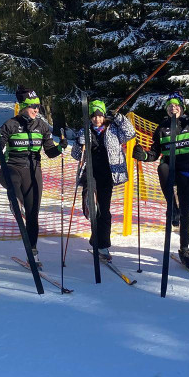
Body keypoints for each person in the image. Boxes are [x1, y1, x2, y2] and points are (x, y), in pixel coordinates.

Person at [132, 74, 189, 268]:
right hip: (169, 170)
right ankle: (172, 207)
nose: (173, 107)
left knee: (187, 214)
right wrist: (143, 155)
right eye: (170, 105)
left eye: (176, 105)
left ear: (182, 107)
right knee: (162, 166)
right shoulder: (161, 129)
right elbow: (154, 153)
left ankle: (184, 249)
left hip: (186, 171)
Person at [0, 86, 65, 268]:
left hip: (33, 171)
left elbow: (50, 152)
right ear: (23, 106)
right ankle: (15, 201)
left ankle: (32, 251)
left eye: (38, 106)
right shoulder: (10, 124)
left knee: (33, 215)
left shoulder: (42, 126)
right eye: (32, 106)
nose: (36, 110)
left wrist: (61, 146)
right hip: (11, 169)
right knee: (14, 182)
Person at [70, 100, 136, 262]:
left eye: (99, 116)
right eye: (94, 116)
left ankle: (102, 244)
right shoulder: (84, 131)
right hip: (90, 173)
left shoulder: (113, 130)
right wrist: (79, 143)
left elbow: (130, 132)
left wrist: (119, 117)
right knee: (93, 205)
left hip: (107, 174)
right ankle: (88, 203)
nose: (97, 119)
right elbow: (76, 155)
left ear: (104, 116)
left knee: (104, 212)